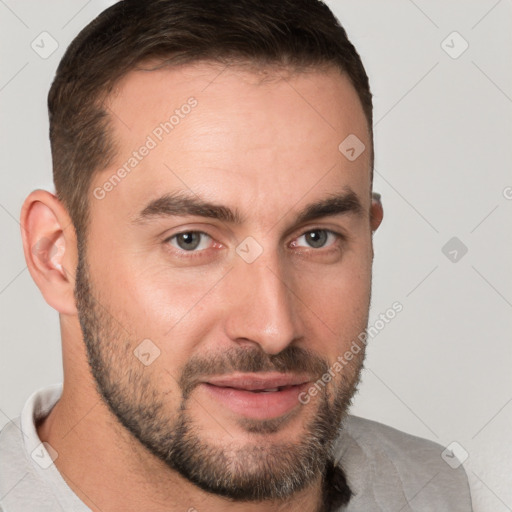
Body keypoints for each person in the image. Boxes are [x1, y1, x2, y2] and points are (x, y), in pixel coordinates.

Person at [0, 1, 473, 511]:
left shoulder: (445, 491)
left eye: (317, 237)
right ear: (56, 257)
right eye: (191, 240)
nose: (273, 328)